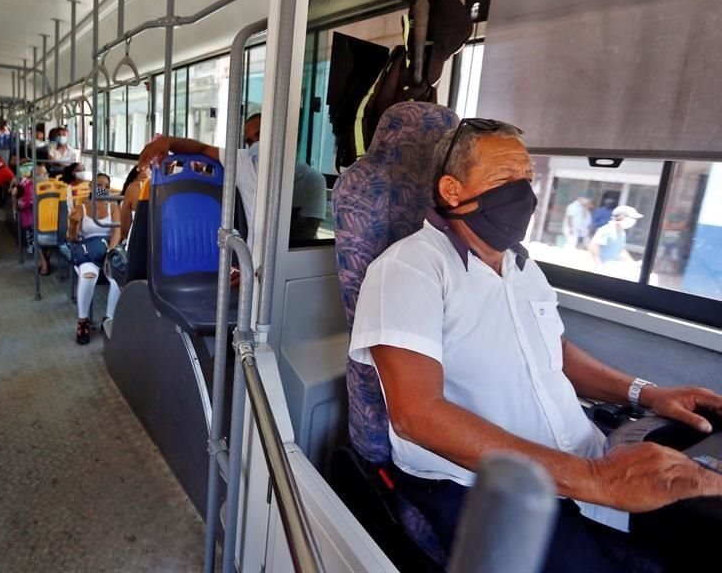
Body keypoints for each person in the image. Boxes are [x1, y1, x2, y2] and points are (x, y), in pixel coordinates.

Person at [349, 118, 722, 572]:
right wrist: (594, 479)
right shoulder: (410, 269)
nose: (524, 192)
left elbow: (556, 352)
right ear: (452, 190)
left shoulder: (525, 269)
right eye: (507, 179)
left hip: (580, 457)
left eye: (527, 177)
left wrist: (646, 393)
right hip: (482, 484)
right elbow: (416, 415)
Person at [137, 113, 328, 246]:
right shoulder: (245, 162)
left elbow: (304, 235)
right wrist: (168, 142)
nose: (255, 145)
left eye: (260, 135)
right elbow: (202, 149)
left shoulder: (312, 180)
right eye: (250, 141)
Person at [69, 173, 121, 345]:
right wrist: (73, 224)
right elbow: (72, 238)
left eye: (107, 185)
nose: (103, 188)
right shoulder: (82, 207)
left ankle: (109, 319)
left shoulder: (113, 207)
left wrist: (110, 254)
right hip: (88, 251)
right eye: (99, 185)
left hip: (106, 250)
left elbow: (116, 233)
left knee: (117, 279)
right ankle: (82, 321)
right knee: (88, 276)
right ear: (91, 187)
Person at [589, 205, 644, 274]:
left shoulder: (622, 232)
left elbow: (621, 250)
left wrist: (633, 263)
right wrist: (599, 265)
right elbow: (593, 246)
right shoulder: (607, 229)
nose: (634, 221)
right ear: (621, 217)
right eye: (632, 218)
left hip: (612, 268)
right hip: (603, 268)